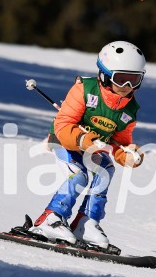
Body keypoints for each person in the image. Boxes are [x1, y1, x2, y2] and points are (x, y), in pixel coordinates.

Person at [31, 41, 146, 251]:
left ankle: (85, 223)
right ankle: (51, 218)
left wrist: (127, 155)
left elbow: (119, 142)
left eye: (135, 80)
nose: (128, 86)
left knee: (106, 170)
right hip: (64, 140)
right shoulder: (84, 90)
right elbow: (63, 124)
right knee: (79, 174)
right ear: (104, 75)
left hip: (92, 147)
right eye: (121, 79)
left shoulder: (129, 109)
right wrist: (82, 140)